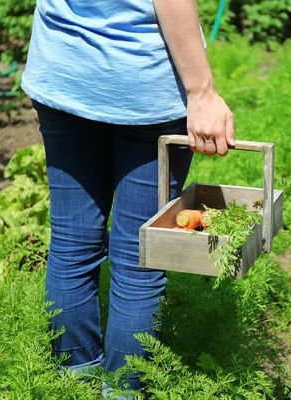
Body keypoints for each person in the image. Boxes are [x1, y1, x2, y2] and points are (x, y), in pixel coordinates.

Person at [21, 0, 234, 396]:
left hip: (64, 68)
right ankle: (123, 390)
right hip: (143, 84)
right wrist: (201, 91)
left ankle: (74, 384)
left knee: (72, 243)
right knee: (140, 259)